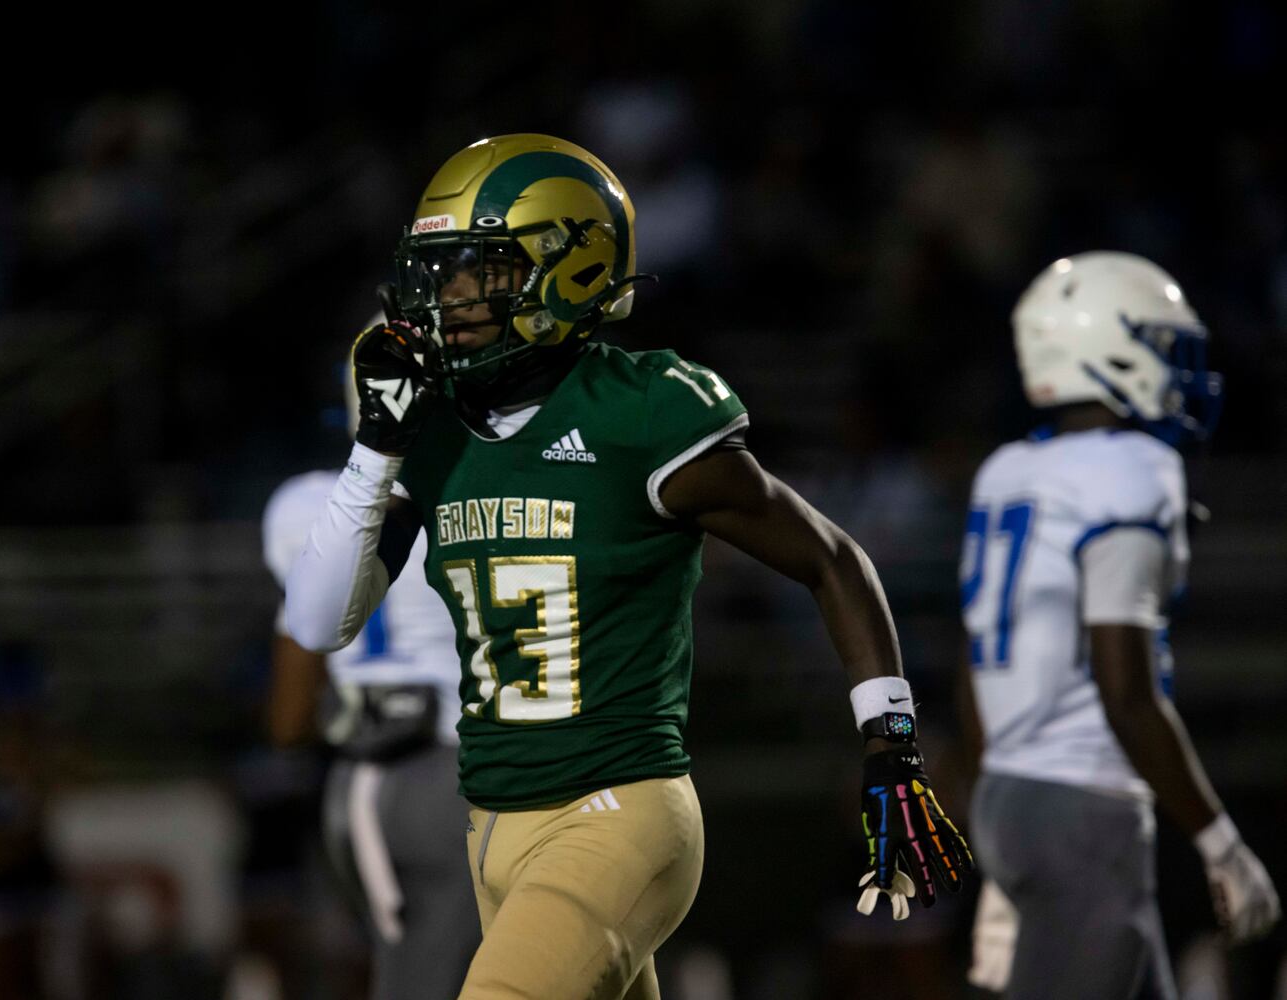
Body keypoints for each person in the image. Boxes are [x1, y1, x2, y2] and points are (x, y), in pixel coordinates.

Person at [285, 133, 972, 1000]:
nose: (448, 299)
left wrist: (892, 744)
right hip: (488, 825)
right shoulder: (430, 428)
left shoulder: (639, 414)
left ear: (567, 271)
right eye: (439, 272)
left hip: (617, 812)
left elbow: (832, 560)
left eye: (478, 272)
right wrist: (374, 447)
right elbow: (316, 623)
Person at [957, 252, 1280, 998]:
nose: (1177, 369)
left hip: (1011, 797)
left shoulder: (1007, 471)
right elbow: (1123, 687)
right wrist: (1218, 839)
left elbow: (979, 671)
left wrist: (1000, 848)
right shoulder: (1130, 471)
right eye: (1162, 346)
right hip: (1082, 811)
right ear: (1111, 348)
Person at [260, 360, 481, 1000]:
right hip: (472, 764)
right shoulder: (483, 487)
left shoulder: (302, 507)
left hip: (364, 776)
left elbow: (288, 716)